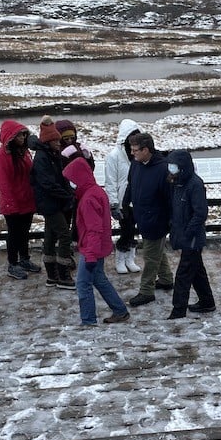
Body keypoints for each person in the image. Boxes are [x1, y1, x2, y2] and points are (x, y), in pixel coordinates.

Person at [62, 155, 130, 326]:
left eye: (71, 180)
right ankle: (120, 311)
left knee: (83, 284)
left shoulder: (88, 199)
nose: (70, 184)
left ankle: (88, 320)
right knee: (99, 279)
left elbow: (94, 230)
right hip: (97, 247)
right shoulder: (95, 191)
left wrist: (90, 255)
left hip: (92, 249)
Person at [123, 132, 174, 306]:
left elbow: (170, 199)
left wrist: (169, 222)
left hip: (157, 220)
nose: (132, 153)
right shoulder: (136, 164)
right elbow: (131, 184)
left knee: (150, 256)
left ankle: (146, 291)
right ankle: (166, 279)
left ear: (146, 150)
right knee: (156, 250)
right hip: (142, 216)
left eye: (135, 150)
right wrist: (126, 203)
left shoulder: (163, 168)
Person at [165, 149, 215, 320]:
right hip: (186, 236)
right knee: (196, 270)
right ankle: (207, 302)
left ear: (182, 167)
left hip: (192, 238)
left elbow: (200, 213)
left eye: (174, 166)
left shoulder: (194, 184)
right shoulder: (177, 183)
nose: (170, 168)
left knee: (183, 275)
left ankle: (178, 311)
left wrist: (187, 233)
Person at [28, 116, 76, 289]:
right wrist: (66, 195)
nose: (59, 142)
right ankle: (63, 275)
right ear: (48, 141)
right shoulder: (42, 158)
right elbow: (48, 183)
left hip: (52, 202)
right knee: (64, 235)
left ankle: (52, 276)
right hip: (50, 203)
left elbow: (58, 177)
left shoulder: (50, 154)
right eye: (56, 140)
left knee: (50, 236)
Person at [0, 119, 40, 280]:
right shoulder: (1, 157)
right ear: (11, 137)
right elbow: (3, 184)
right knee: (14, 234)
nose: (22, 138)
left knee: (24, 233)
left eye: (24, 135)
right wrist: (11, 205)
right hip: (13, 203)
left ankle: (24, 259)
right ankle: (13, 263)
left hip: (27, 200)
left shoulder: (24, 152)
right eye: (19, 135)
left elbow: (31, 173)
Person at [103, 118, 143, 275]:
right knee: (126, 230)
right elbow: (110, 181)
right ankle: (120, 259)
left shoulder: (138, 155)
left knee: (133, 230)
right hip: (122, 201)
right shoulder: (114, 156)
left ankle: (130, 259)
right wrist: (113, 203)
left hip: (138, 199)